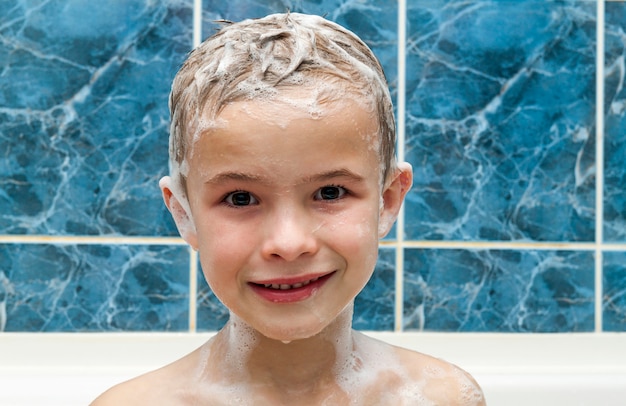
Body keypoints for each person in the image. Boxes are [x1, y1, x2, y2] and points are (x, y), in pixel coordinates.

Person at [91, 12, 485, 405]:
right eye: (241, 198)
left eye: (330, 192)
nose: (289, 243)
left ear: (387, 201)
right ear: (184, 214)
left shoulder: (443, 397)